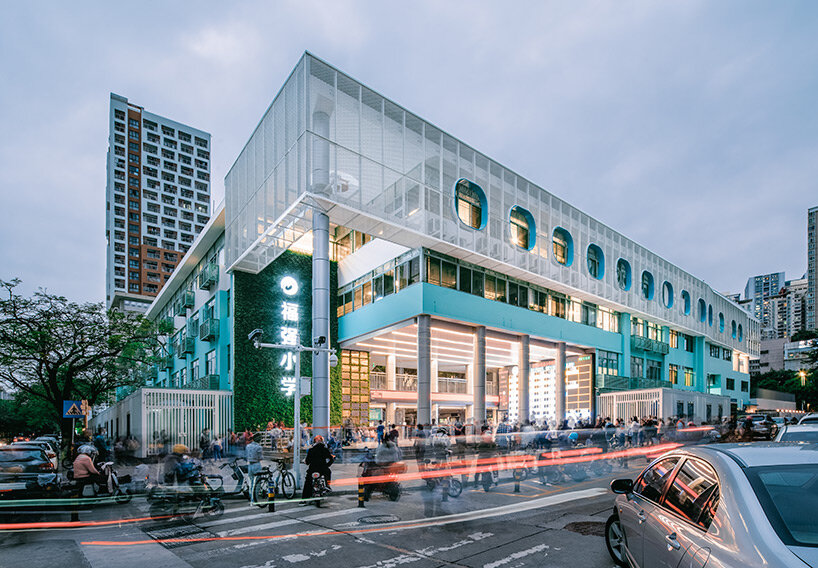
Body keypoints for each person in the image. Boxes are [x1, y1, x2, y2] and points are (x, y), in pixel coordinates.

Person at [302, 435, 334, 500]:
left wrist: (306, 462)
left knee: (308, 481)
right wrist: (327, 465)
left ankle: (304, 499)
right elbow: (331, 459)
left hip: (312, 469)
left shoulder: (311, 450)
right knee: (328, 472)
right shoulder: (325, 450)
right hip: (323, 469)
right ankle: (327, 486)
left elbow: (307, 461)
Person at [246, 433, 263, 502]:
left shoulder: (248, 446)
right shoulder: (259, 447)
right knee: (257, 482)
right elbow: (260, 457)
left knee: (251, 482)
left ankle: (251, 497)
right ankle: (255, 498)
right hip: (257, 465)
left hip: (250, 465)